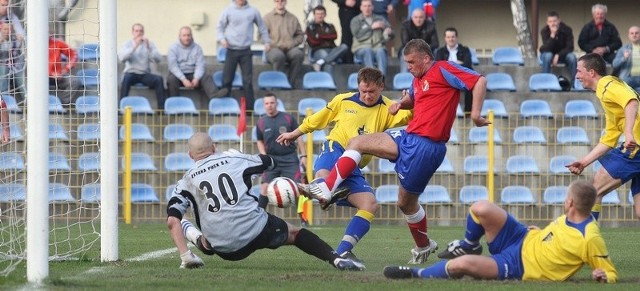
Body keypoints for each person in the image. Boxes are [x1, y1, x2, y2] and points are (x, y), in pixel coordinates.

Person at [299, 39, 490, 264]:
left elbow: (479, 80)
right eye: (406, 62)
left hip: (426, 148)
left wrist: (475, 114)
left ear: (426, 58)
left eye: (411, 62)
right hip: (408, 136)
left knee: (405, 203)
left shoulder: (443, 69)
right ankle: (327, 188)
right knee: (357, 142)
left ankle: (423, 245)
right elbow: (413, 99)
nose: (408, 66)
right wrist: (401, 102)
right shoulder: (417, 79)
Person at [166, 132, 364, 271]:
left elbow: (170, 221)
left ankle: (189, 239)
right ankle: (336, 259)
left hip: (223, 247)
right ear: (214, 147)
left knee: (206, 241)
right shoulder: (234, 160)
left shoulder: (185, 181)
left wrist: (185, 255)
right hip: (257, 229)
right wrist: (239, 157)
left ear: (190, 155)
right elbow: (269, 162)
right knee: (295, 233)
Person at [276, 67, 413, 263]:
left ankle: (342, 252)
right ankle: (304, 189)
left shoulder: (390, 108)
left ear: (381, 87)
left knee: (370, 204)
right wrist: (293, 134)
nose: (366, 95)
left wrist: (409, 103)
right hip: (335, 148)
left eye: (371, 92)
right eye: (363, 91)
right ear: (358, 86)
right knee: (323, 178)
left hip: (354, 166)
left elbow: (413, 116)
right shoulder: (343, 100)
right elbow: (318, 119)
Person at [383, 181, 618, 283]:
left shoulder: (591, 237)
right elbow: (558, 236)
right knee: (481, 207)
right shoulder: (570, 216)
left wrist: (604, 276)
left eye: (566, 198)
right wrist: (541, 231)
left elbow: (609, 271)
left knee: (461, 265)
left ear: (571, 203)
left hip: (519, 266)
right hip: (522, 238)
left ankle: (416, 273)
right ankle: (470, 242)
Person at [567, 53, 640, 220]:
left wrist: (628, 133)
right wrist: (584, 162)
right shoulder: (606, 94)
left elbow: (631, 101)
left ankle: (587, 241)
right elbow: (608, 140)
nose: (576, 76)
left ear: (591, 73)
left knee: (594, 190)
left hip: (636, 149)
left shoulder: (607, 85)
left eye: (579, 71)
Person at [214, 0, 270, 106]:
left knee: (247, 81)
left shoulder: (253, 11)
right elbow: (219, 27)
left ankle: (250, 109)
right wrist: (222, 39)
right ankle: (224, 107)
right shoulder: (227, 11)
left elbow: (262, 27)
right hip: (231, 50)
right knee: (227, 80)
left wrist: (267, 41)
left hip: (246, 50)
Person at [255, 93, 306, 210]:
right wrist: (263, 154)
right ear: (264, 105)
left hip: (290, 158)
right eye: (267, 103)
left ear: (276, 103)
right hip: (271, 160)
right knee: (264, 187)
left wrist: (304, 155)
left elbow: (299, 136)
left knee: (298, 187)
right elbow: (259, 140)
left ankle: (303, 218)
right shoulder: (261, 122)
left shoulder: (288, 118)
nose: (269, 105)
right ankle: (259, 215)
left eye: (272, 103)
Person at [118, 23, 165, 108]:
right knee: (126, 79)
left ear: (143, 32)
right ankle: (121, 108)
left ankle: (161, 110)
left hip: (144, 73)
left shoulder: (149, 44)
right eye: (136, 31)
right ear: (132, 32)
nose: (139, 33)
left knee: (158, 79)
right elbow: (122, 58)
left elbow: (159, 59)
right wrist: (135, 47)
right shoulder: (127, 44)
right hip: (131, 72)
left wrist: (149, 48)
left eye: (141, 31)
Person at [263, 0, 305, 89]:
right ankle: (278, 84)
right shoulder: (267, 18)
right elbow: (262, 35)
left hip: (290, 48)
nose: (280, 3)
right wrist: (270, 44)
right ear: (274, 2)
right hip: (273, 48)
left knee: (298, 55)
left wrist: (293, 43)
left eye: (282, 1)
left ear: (285, 2)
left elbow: (300, 35)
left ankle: (290, 83)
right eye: (277, 1)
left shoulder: (293, 18)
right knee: (278, 57)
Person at [166, 26, 216, 100]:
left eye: (188, 35)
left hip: (193, 74)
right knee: (171, 79)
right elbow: (173, 67)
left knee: (206, 77)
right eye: (184, 35)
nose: (187, 38)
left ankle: (215, 97)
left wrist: (196, 78)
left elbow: (200, 65)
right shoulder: (173, 48)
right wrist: (183, 79)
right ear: (179, 36)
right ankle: (174, 104)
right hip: (178, 75)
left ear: (191, 36)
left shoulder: (197, 48)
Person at [351, 0, 394, 76]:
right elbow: (357, 34)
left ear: (373, 7)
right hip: (361, 48)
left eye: (369, 6)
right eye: (365, 6)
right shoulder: (355, 20)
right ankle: (371, 80)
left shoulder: (380, 18)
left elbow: (392, 34)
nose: (367, 8)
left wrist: (389, 32)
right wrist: (371, 27)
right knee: (368, 50)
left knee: (381, 51)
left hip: (377, 47)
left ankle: (381, 81)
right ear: (361, 8)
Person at [435, 27, 473, 113]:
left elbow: (467, 64)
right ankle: (443, 111)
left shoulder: (465, 50)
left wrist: (449, 63)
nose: (451, 39)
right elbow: (439, 66)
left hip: (462, 76)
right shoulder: (440, 51)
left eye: (452, 37)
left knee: (471, 85)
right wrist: (457, 63)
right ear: (445, 38)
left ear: (456, 37)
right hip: (446, 77)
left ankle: (467, 113)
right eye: (448, 37)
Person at [306, 5, 349, 73]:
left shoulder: (330, 26)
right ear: (314, 15)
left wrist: (320, 36)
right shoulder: (310, 27)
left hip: (332, 49)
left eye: (322, 14)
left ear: (325, 15)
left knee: (344, 47)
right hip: (318, 50)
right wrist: (327, 36)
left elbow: (334, 36)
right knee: (328, 63)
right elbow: (313, 42)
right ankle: (330, 82)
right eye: (318, 14)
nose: (320, 16)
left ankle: (321, 62)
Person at [539, 11, 577, 87]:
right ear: (547, 22)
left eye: (554, 21)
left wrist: (558, 55)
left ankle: (574, 84)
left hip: (563, 55)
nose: (552, 24)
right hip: (548, 54)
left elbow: (570, 47)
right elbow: (546, 48)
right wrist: (552, 36)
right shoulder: (544, 31)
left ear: (559, 21)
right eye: (550, 21)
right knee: (548, 55)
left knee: (572, 57)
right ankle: (545, 83)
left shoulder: (567, 30)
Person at [400, 8, 438, 73]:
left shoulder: (431, 26)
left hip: (426, 51)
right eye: (416, 17)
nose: (418, 19)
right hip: (411, 50)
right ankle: (404, 78)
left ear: (424, 17)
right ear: (411, 17)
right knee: (404, 52)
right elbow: (405, 42)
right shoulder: (405, 25)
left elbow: (435, 43)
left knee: (436, 51)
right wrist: (417, 50)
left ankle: (433, 76)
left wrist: (422, 50)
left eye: (421, 17)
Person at [49, 31, 81, 104]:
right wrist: (51, 73)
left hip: (59, 76)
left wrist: (65, 69)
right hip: (42, 77)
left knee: (75, 81)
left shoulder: (57, 43)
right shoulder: (35, 45)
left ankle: (62, 103)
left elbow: (74, 54)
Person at [0, 22, 24, 101]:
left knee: (21, 74)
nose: (8, 31)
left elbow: (21, 55)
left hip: (14, 67)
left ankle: (28, 101)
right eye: (5, 29)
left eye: (10, 29)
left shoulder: (16, 40)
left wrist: (22, 41)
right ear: (1, 30)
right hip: (2, 67)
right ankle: (4, 100)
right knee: (4, 70)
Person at [612, 26, 640, 90]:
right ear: (629, 35)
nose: (634, 35)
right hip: (628, 78)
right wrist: (624, 58)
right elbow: (614, 64)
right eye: (632, 33)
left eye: (636, 33)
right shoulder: (623, 49)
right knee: (624, 84)